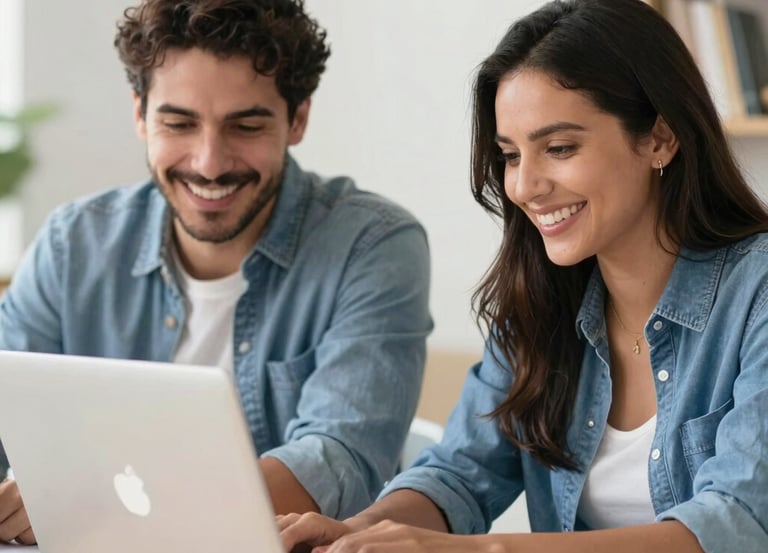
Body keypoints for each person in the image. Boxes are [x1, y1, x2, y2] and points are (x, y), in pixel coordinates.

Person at [279, 0, 768, 551]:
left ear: (659, 138)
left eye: (559, 148)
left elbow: (734, 525)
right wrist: (357, 532)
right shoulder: (541, 300)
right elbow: (457, 474)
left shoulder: (758, 293)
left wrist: (481, 550)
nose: (524, 186)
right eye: (511, 155)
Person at [0, 0, 432, 545]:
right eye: (179, 123)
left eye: (245, 125)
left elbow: (338, 453)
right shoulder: (73, 244)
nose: (208, 162)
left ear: (297, 119)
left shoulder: (372, 246)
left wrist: (89, 509)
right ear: (139, 115)